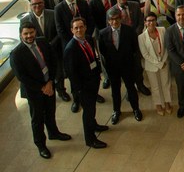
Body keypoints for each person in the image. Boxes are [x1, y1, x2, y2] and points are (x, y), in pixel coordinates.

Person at [10, 22, 72, 159]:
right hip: (34, 91)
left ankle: (53, 132)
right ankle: (41, 145)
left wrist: (50, 82)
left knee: (50, 111)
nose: (29, 36)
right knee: (37, 119)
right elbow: (22, 77)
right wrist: (42, 87)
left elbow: (53, 61)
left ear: (35, 32)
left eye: (31, 33)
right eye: (26, 34)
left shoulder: (42, 42)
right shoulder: (16, 54)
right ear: (21, 35)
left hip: (48, 84)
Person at [63, 17, 108, 149]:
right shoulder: (70, 49)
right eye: (76, 28)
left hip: (93, 80)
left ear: (85, 27)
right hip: (83, 87)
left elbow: (94, 56)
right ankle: (90, 139)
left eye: (81, 27)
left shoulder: (88, 38)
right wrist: (79, 90)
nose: (79, 30)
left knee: (92, 108)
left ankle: (94, 125)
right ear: (72, 30)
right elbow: (72, 74)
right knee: (87, 112)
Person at [97, 8, 143, 125]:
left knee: (131, 88)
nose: (114, 22)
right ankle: (116, 111)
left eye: (117, 18)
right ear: (108, 21)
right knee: (115, 90)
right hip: (112, 68)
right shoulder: (102, 33)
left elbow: (134, 48)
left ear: (121, 18)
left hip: (127, 66)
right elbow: (102, 52)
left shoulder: (129, 31)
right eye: (111, 19)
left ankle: (136, 109)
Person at [138, 13, 172, 116]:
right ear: (145, 22)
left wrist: (163, 61)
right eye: (148, 20)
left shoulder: (162, 30)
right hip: (151, 65)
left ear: (156, 21)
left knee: (166, 84)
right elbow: (145, 54)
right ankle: (158, 105)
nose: (151, 22)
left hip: (164, 62)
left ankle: (167, 104)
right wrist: (158, 64)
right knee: (155, 87)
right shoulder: (141, 37)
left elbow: (166, 47)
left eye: (153, 20)